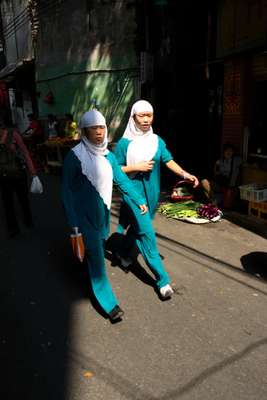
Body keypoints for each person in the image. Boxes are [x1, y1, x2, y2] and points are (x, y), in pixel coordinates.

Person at [61, 109, 149, 322]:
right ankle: (109, 305)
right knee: (98, 261)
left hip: (103, 215)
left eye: (101, 127)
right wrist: (74, 226)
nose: (99, 132)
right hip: (84, 217)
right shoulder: (75, 157)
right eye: (93, 128)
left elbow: (121, 180)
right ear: (84, 131)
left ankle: (87, 265)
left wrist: (139, 200)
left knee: (97, 248)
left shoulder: (108, 156)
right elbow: (66, 193)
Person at [113, 99, 199, 233]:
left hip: (153, 190)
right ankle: (131, 248)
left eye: (149, 115)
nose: (146, 120)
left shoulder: (156, 141)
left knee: (135, 222)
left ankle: (120, 247)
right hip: (132, 189)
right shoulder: (124, 144)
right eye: (142, 116)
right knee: (140, 225)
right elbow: (115, 170)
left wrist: (185, 174)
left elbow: (168, 161)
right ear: (133, 118)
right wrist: (136, 167)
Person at [0, 124, 36, 238]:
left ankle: (28, 220)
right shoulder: (12, 134)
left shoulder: (13, 134)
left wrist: (33, 172)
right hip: (5, 176)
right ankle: (13, 228)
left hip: (18, 174)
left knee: (23, 199)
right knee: (8, 203)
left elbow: (24, 151)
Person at [213, 143, 242, 208]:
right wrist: (216, 166)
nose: (228, 152)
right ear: (224, 152)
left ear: (233, 152)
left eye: (231, 151)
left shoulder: (236, 160)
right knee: (217, 201)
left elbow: (246, 164)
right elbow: (216, 173)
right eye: (227, 150)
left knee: (227, 205)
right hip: (221, 185)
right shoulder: (220, 161)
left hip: (231, 186)